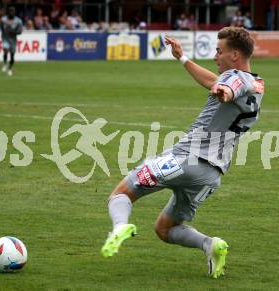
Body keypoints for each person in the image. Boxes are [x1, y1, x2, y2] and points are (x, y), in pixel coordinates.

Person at [101, 27, 264, 279]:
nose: (215, 56)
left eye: (219, 51)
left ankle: (120, 227)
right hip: (211, 175)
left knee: (120, 195)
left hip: (184, 160)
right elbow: (216, 81)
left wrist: (224, 92)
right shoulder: (256, 85)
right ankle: (210, 244)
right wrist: (183, 58)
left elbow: (227, 87)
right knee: (165, 228)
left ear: (234, 55)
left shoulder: (235, 78)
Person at [0, 7, 23, 76]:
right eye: (10, 11)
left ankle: (10, 69)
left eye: (13, 11)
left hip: (13, 39)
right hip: (5, 38)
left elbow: (20, 31)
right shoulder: (3, 19)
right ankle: (4, 64)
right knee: (5, 50)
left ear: (14, 12)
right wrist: (5, 31)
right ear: (8, 12)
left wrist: (13, 32)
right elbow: (1, 27)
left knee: (12, 55)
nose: (11, 12)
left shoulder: (18, 21)